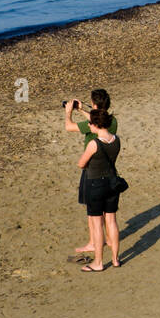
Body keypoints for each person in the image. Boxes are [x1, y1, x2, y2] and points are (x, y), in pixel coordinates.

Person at [65, 88, 118, 255]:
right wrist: (81, 109)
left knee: (92, 212)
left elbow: (69, 127)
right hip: (109, 172)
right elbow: (97, 120)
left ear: (94, 105)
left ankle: (93, 243)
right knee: (108, 214)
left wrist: (68, 112)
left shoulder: (92, 128)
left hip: (92, 171)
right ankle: (109, 240)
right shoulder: (112, 121)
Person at [77, 106, 123, 271]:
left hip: (95, 184)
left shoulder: (93, 143)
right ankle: (115, 258)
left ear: (96, 124)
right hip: (112, 183)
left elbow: (81, 164)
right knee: (111, 221)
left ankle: (98, 262)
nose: (88, 125)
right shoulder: (116, 139)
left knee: (97, 224)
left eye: (90, 123)